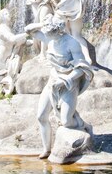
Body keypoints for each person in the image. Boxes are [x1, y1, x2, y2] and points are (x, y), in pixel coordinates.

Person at [26, 16, 93, 159]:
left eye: (50, 34)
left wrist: (67, 79)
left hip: (69, 83)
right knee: (41, 116)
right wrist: (43, 23)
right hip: (53, 82)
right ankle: (46, 149)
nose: (47, 37)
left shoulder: (72, 43)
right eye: (47, 34)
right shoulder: (49, 37)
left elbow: (82, 67)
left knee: (67, 122)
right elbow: (28, 30)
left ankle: (84, 125)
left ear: (59, 31)